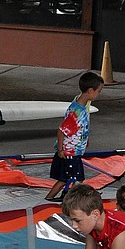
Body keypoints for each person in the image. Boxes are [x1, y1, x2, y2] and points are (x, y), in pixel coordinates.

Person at [44, 71, 104, 202]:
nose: (99, 94)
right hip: (70, 152)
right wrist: (60, 150)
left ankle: (52, 198)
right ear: (90, 90)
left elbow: (81, 126)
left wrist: (85, 139)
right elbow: (61, 131)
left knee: (67, 178)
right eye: (98, 91)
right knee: (73, 178)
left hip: (73, 150)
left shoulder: (81, 103)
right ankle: (56, 198)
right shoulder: (77, 112)